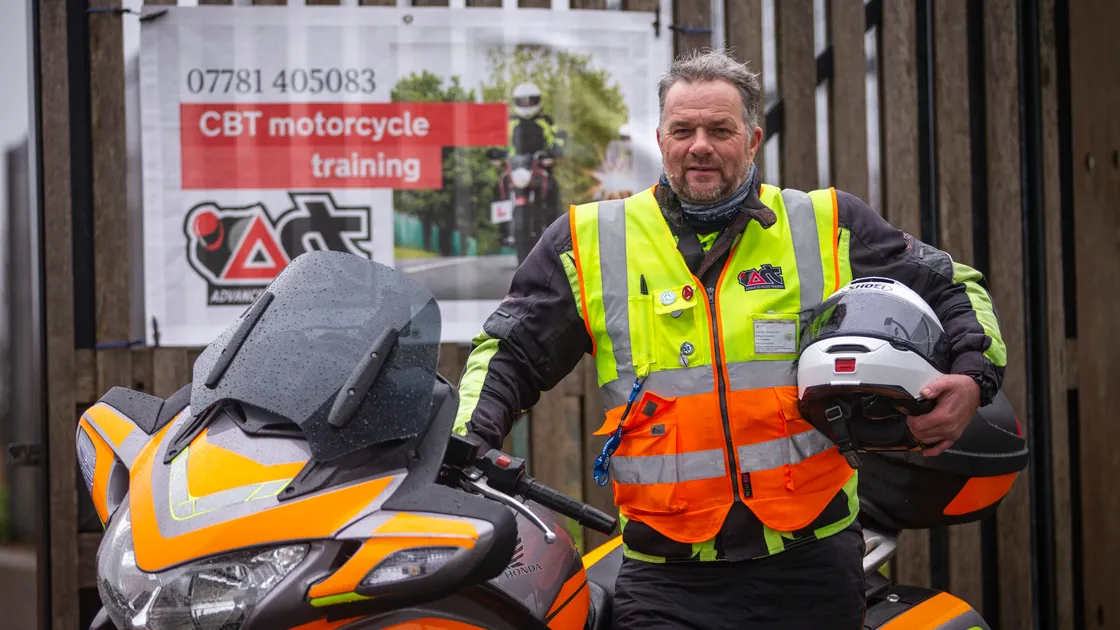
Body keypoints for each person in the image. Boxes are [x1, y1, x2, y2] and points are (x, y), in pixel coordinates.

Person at [453, 49, 1006, 630]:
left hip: (811, 565)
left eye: (720, 129)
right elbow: (508, 352)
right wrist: (465, 441)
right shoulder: (589, 241)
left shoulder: (825, 223)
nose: (700, 145)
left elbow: (953, 284)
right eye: (683, 130)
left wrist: (974, 376)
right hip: (665, 577)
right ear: (660, 138)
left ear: (752, 139)